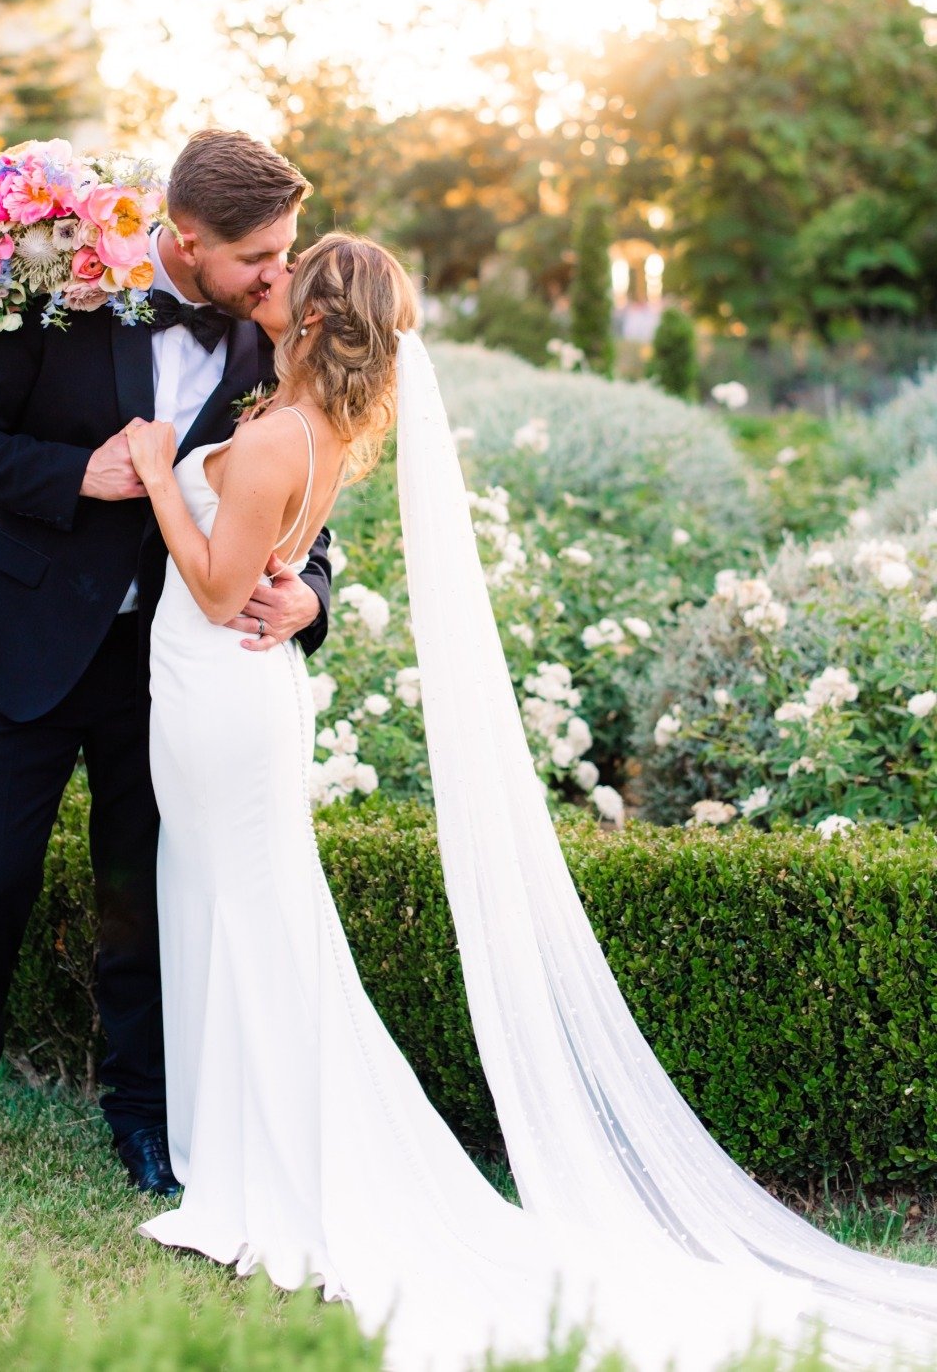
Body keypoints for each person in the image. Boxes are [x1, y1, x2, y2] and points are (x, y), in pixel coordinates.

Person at [125, 231, 937, 1372]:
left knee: (251, 920)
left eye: (287, 281)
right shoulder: (323, 430)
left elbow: (216, 592)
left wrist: (163, 473)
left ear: (311, 321)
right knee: (239, 914)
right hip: (232, 699)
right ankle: (239, 1148)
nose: (270, 286)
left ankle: (272, 1166)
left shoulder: (271, 441)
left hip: (220, 694)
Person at [0, 130, 332, 1199]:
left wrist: (311, 591)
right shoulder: (59, 293)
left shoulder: (271, 341)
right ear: (185, 242)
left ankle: (142, 1119)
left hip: (171, 674)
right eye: (259, 259)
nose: (281, 276)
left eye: (288, 251)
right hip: (21, 645)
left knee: (141, 898)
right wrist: (72, 475)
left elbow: (306, 484)